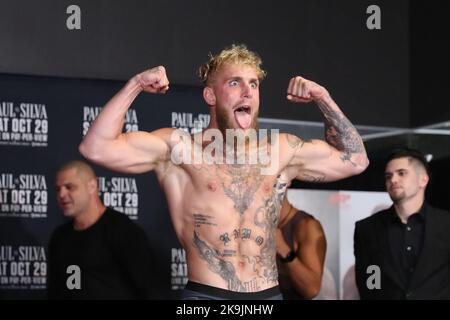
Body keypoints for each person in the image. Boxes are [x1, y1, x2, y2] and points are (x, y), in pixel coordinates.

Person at [79, 44, 369, 299]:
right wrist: (137, 84)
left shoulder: (280, 150)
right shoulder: (180, 149)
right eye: (235, 83)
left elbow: (356, 160)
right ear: (210, 95)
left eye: (254, 84)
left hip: (267, 298)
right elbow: (96, 148)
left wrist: (323, 97)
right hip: (208, 297)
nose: (248, 92)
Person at [47, 160, 154, 299]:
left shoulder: (122, 230)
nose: (61, 195)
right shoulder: (59, 237)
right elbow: (55, 291)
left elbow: (148, 288)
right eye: (58, 189)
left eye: (69, 187)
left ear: (92, 186)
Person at [354, 148, 450, 299]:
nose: (393, 180)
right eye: (388, 176)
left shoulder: (446, 224)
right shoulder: (367, 228)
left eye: (401, 173)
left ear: (423, 179)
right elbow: (370, 279)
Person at [276, 195, 326, 299]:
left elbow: (312, 289)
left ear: (288, 181)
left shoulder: (307, 226)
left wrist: (283, 248)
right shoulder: (250, 224)